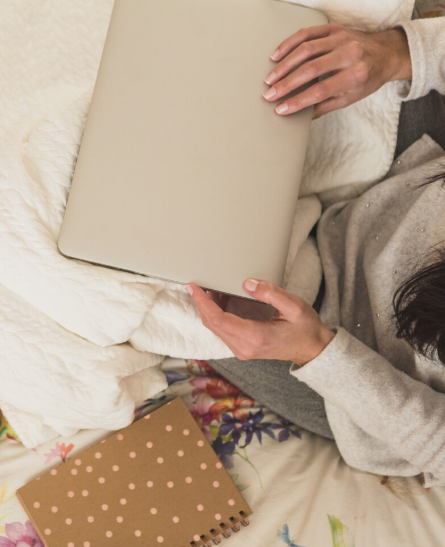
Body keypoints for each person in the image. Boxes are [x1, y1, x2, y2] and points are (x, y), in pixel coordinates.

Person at [188, 18, 445, 486]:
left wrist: (318, 353)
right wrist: (396, 53)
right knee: (287, 45)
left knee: (175, 295)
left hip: (358, 374)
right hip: (413, 180)